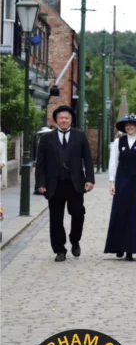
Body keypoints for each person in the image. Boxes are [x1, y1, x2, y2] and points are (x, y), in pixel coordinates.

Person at [35, 105, 95, 262]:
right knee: (55, 218)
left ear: (71, 120)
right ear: (56, 120)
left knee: (78, 214)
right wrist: (40, 183)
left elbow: (88, 160)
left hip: (75, 184)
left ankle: (75, 240)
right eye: (61, 118)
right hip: (54, 185)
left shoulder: (80, 136)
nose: (63, 120)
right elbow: (40, 163)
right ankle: (59, 249)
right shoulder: (47, 139)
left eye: (66, 118)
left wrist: (89, 179)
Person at [104, 114, 136, 260]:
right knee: (119, 214)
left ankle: (131, 249)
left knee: (135, 215)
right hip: (121, 181)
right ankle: (118, 246)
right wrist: (112, 182)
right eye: (127, 125)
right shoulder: (118, 142)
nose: (129, 127)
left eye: (132, 124)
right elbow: (113, 162)